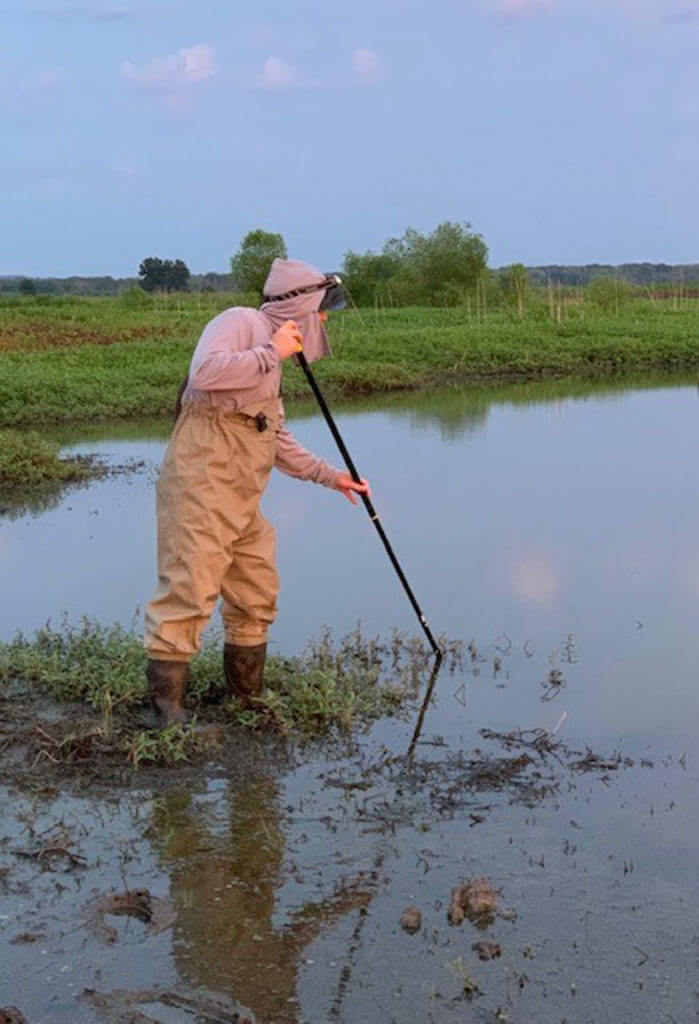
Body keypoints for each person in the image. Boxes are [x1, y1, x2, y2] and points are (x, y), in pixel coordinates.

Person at [144, 258, 370, 725]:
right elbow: (207, 372)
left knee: (256, 591)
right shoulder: (241, 322)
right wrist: (272, 350)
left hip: (243, 497)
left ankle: (246, 700)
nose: (325, 319)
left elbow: (274, 438)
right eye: (323, 309)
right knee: (188, 592)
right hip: (201, 491)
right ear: (302, 305)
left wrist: (333, 476)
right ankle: (167, 718)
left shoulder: (273, 362)